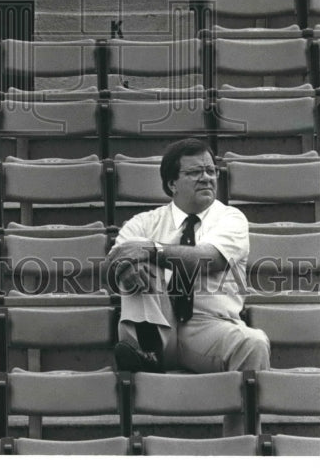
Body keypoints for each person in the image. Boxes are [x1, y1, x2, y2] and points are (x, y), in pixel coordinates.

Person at [107, 137, 270, 374]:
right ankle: (148, 349)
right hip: (157, 321)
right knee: (135, 254)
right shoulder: (144, 222)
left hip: (209, 326)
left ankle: (239, 412)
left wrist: (152, 250)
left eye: (211, 170)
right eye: (195, 172)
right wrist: (126, 266)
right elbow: (113, 261)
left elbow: (209, 258)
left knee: (254, 343)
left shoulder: (230, 218)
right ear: (172, 183)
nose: (206, 177)